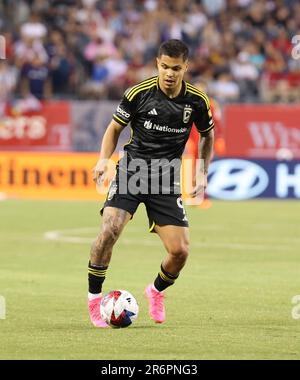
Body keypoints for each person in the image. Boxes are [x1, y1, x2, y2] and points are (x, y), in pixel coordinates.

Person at [88, 39, 215, 328]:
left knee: (180, 252)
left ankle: (156, 291)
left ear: (186, 67)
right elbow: (114, 128)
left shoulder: (197, 101)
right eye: (164, 67)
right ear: (157, 64)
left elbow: (208, 134)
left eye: (176, 68)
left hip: (166, 176)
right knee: (110, 229)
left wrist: (202, 171)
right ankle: (95, 301)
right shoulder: (138, 93)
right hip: (132, 170)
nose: (169, 73)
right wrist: (103, 160)